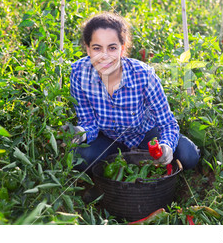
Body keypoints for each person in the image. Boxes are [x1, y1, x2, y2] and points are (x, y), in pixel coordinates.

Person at [69, 12, 200, 175]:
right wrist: (80, 133)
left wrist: (166, 147)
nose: (104, 56)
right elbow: (89, 121)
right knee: (80, 158)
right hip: (109, 139)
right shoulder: (78, 74)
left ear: (122, 49)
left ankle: (148, 161)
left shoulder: (143, 75)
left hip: (145, 135)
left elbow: (167, 123)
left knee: (188, 155)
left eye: (112, 48)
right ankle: (112, 168)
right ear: (88, 49)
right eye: (97, 48)